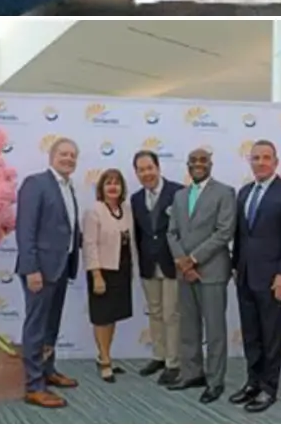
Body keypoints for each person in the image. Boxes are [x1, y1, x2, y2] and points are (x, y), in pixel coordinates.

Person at [229, 141, 281, 413]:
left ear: (275, 162)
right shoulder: (244, 193)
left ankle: (268, 388)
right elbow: (241, 235)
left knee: (270, 335)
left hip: (273, 278)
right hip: (245, 276)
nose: (260, 162)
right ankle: (252, 382)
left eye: (266, 158)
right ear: (249, 162)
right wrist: (235, 265)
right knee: (251, 335)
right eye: (255, 158)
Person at [14, 138, 82, 409]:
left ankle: (47, 371)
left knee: (51, 326)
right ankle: (32, 386)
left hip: (61, 266)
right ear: (52, 156)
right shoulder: (36, 183)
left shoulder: (68, 187)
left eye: (73, 155)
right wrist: (31, 269)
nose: (68, 158)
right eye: (63, 154)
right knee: (36, 327)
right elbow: (25, 229)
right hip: (39, 269)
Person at [166, 147, 236, 405]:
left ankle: (215, 381)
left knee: (215, 330)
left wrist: (193, 259)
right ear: (187, 164)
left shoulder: (225, 192)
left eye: (203, 160)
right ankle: (191, 373)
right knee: (188, 328)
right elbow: (171, 233)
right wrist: (184, 264)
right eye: (193, 160)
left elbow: (224, 232)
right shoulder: (179, 195)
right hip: (185, 273)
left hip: (212, 272)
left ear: (210, 163)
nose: (198, 164)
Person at [130, 150, 183, 385]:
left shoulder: (178, 192)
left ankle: (174, 362)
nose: (146, 173)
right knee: (155, 312)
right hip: (148, 265)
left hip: (173, 263)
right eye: (141, 170)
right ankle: (159, 356)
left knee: (172, 314)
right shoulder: (136, 199)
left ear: (158, 168)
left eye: (149, 168)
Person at [82, 169, 135, 382]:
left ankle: (106, 355)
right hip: (102, 271)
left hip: (121, 270)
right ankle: (104, 360)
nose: (113, 187)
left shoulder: (126, 209)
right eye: (108, 183)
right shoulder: (94, 211)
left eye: (117, 183)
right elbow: (89, 244)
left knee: (113, 317)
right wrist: (96, 275)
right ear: (101, 188)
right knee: (102, 318)